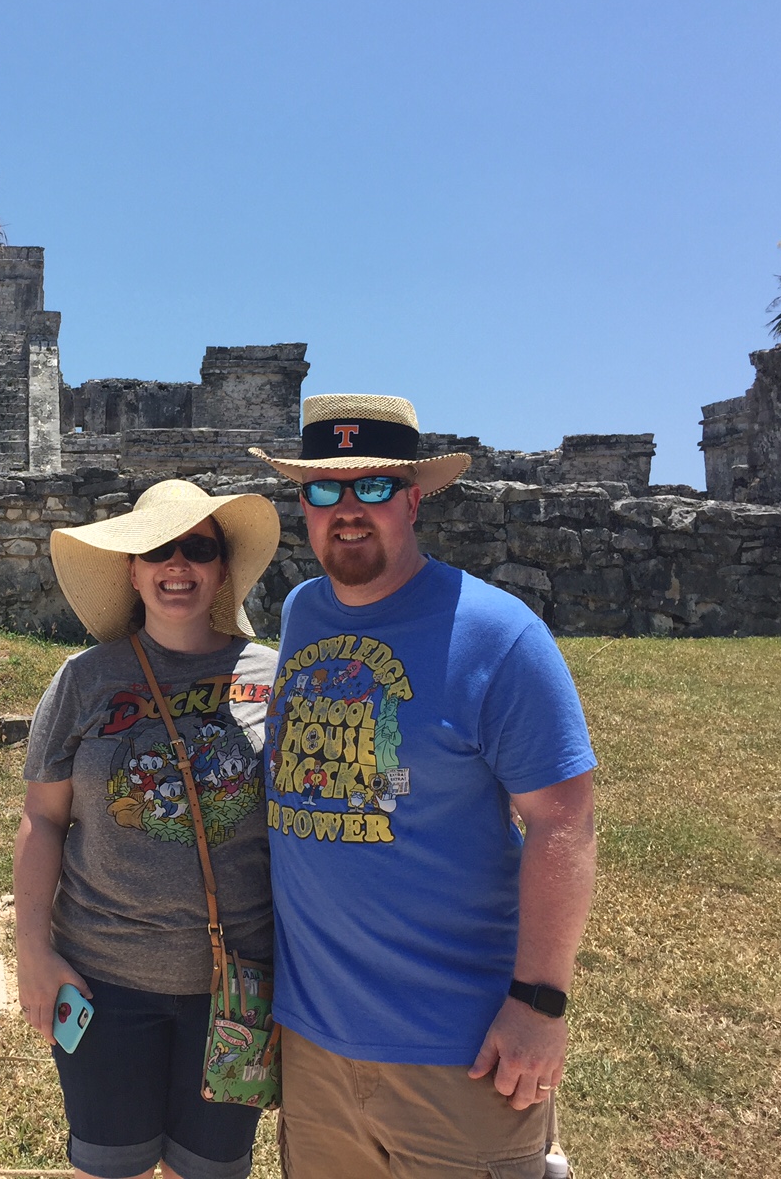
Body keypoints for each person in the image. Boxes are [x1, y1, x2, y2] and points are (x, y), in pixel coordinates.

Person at [247, 395, 597, 1178]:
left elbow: (563, 820)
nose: (347, 510)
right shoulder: (303, 612)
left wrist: (540, 1004)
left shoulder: (499, 634)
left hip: (461, 1051)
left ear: (412, 500)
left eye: (373, 487)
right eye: (324, 489)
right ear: (302, 505)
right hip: (314, 1043)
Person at [14, 479, 283, 1179]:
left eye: (199, 548)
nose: (178, 565)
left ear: (222, 570)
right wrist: (32, 951)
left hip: (236, 987)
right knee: (110, 1167)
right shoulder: (84, 680)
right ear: (131, 571)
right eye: (158, 550)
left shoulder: (274, 678)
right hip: (103, 980)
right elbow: (43, 818)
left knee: (211, 1170)